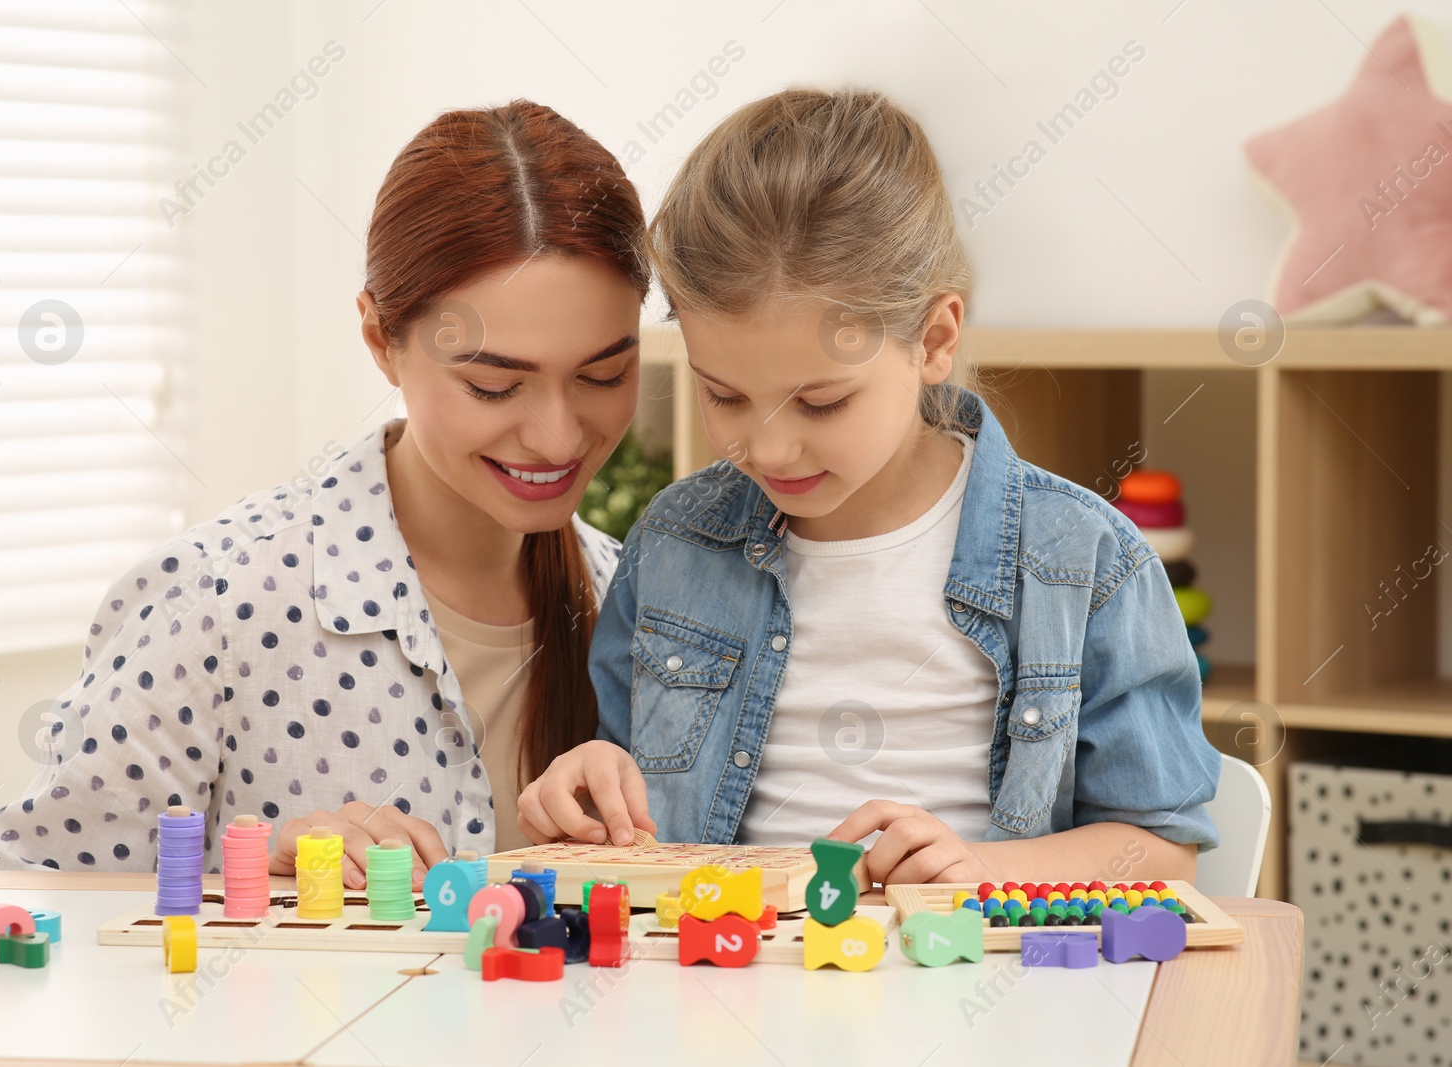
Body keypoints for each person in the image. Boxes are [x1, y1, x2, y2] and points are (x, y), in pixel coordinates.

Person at [517, 88, 1220, 886]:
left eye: (822, 401)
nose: (770, 445)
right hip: (725, 987)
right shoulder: (675, 542)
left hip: (976, 989)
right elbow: (629, 816)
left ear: (934, 339)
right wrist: (593, 787)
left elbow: (1163, 851)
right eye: (724, 394)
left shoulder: (1082, 559)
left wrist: (982, 867)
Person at [0, 100, 650, 890]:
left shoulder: (639, 604)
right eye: (495, 386)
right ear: (379, 339)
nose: (560, 437)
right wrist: (249, 872)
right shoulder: (215, 602)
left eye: (603, 375)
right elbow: (25, 898)